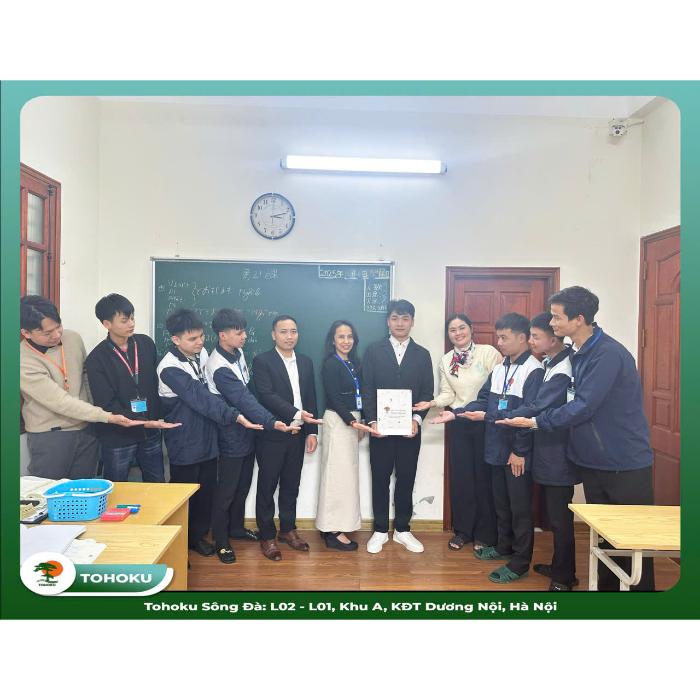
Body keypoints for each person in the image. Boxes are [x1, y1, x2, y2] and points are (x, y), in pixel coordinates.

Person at [497, 286, 655, 591]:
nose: (551, 323)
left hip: (624, 462)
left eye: (557, 317)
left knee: (633, 547)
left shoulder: (607, 353)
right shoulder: (580, 353)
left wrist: (536, 421)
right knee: (604, 541)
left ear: (579, 319)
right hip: (593, 461)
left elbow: (583, 406)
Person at [433, 312, 544, 583]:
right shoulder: (501, 367)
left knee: (520, 509)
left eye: (504, 338)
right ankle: (504, 546)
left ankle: (519, 562)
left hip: (515, 451)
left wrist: (519, 451)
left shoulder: (534, 370)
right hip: (496, 447)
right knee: (502, 503)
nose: (500, 343)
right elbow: (483, 399)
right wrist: (456, 413)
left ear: (522, 338)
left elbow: (530, 414)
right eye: (499, 337)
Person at [157, 308, 261, 558]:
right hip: (184, 439)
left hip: (207, 436)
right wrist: (235, 416)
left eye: (202, 336)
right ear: (175, 339)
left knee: (207, 492)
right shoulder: (169, 368)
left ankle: (198, 537)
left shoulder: (201, 353)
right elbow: (201, 398)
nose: (200, 342)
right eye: (192, 338)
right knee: (185, 495)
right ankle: (182, 544)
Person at [205, 308, 298, 564]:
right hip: (231, 436)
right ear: (223, 335)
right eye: (238, 333)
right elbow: (243, 399)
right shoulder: (218, 366)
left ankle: (236, 528)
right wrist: (272, 421)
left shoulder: (238, 352)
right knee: (226, 491)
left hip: (249, 432)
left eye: (244, 331)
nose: (244, 336)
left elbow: (248, 392)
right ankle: (221, 541)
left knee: (243, 485)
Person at [498, 313, 581, 591]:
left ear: (554, 339)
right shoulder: (549, 362)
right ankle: (560, 567)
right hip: (546, 450)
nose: (531, 341)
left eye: (535, 336)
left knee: (560, 519)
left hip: (559, 455)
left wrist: (502, 416)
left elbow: (538, 406)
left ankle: (564, 578)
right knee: (553, 515)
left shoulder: (564, 368)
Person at [20, 295, 144, 479]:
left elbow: (86, 379)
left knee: (86, 489)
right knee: (50, 490)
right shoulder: (22, 360)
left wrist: (100, 415)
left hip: (87, 428)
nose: (56, 335)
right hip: (52, 435)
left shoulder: (72, 338)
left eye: (58, 327)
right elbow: (60, 402)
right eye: (47, 333)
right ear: (26, 333)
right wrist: (106, 416)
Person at [414, 313, 502, 553]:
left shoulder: (488, 353)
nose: (458, 333)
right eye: (452, 330)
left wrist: (485, 413)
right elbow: (448, 394)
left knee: (484, 478)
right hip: (458, 421)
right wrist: (431, 403)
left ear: (471, 329)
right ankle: (463, 531)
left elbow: (497, 389)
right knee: (462, 479)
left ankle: (486, 533)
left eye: (462, 328)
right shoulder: (446, 360)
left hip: (484, 421)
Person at [361, 299, 434, 554]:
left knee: (406, 478)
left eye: (405, 318)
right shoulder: (373, 351)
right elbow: (367, 389)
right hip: (379, 430)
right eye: (395, 318)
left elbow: (427, 392)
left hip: (409, 430)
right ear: (388, 321)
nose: (400, 323)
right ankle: (380, 530)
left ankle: (403, 530)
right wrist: (372, 420)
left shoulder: (422, 354)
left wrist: (416, 420)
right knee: (380, 479)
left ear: (412, 322)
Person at [85, 293, 180, 483]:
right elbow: (106, 403)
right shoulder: (97, 359)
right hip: (118, 436)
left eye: (132, 318)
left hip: (150, 431)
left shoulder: (145, 343)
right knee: (117, 487)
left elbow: (155, 384)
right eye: (124, 320)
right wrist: (143, 422)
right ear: (107, 324)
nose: (131, 323)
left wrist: (153, 420)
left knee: (156, 483)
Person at [251, 315, 322, 561]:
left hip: (299, 433)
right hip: (273, 433)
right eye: (283, 332)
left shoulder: (305, 361)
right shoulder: (262, 361)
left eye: (293, 331)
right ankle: (267, 536)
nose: (289, 336)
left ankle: (288, 530)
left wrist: (312, 430)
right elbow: (266, 395)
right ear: (274, 335)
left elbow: (311, 396)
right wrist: (296, 413)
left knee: (291, 485)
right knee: (267, 486)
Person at [315, 320, 376, 551]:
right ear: (333, 340)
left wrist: (359, 420)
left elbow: (359, 395)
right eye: (341, 336)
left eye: (350, 336)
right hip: (338, 422)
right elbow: (333, 398)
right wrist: (352, 421)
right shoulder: (331, 364)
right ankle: (332, 531)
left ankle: (336, 526)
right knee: (335, 476)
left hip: (352, 421)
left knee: (346, 477)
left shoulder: (354, 363)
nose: (346, 341)